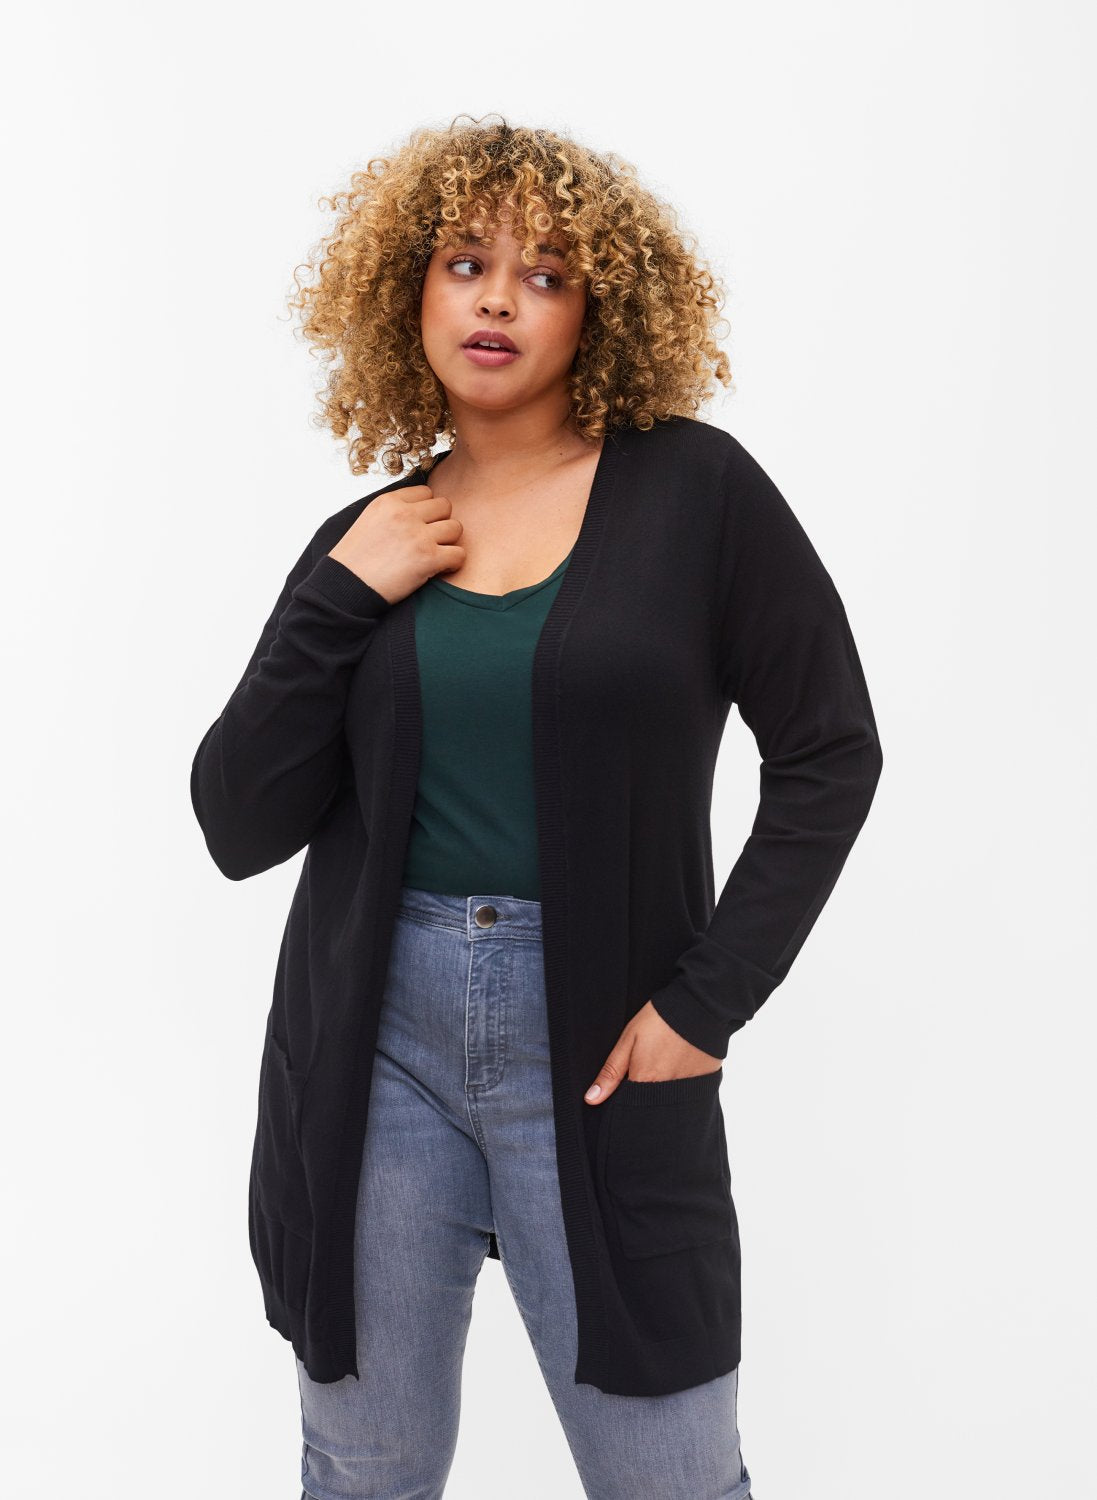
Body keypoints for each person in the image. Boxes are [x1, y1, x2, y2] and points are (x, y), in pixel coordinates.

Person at [190, 113, 883, 1499]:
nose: (498, 300)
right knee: (362, 1472)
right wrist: (341, 593)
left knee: (671, 1474)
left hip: (605, 1042)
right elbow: (237, 823)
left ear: (599, 311)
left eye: (546, 274)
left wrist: (706, 1004)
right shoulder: (367, 541)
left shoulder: (695, 495)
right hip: (375, 1049)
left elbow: (830, 750)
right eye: (465, 264)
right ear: (410, 293)